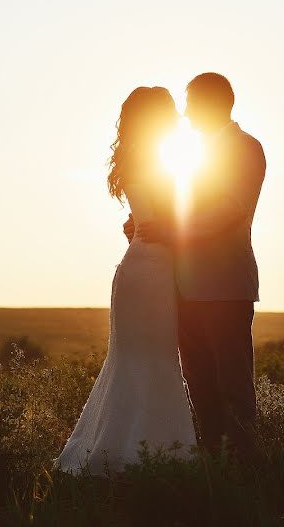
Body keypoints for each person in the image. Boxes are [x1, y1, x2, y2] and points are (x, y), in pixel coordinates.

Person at [56, 86, 197, 474]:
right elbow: (171, 221)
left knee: (139, 360)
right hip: (152, 271)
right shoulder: (157, 162)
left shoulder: (138, 159)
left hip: (139, 267)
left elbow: (149, 219)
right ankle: (148, 457)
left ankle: (125, 452)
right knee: (152, 360)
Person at [132, 72, 266, 457]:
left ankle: (244, 466)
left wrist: (170, 230)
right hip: (184, 287)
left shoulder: (245, 148)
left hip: (225, 286)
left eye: (190, 102)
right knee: (199, 383)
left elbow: (230, 210)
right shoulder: (193, 154)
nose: (186, 112)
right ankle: (211, 461)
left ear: (214, 101)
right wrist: (145, 222)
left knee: (233, 384)